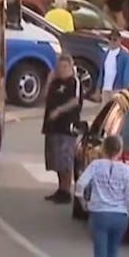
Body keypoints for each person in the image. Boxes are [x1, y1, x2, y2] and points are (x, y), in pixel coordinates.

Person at [42, 54, 83, 203]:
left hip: (68, 126)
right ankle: (60, 189)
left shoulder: (74, 82)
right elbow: (45, 98)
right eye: (59, 66)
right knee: (56, 159)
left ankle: (66, 191)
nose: (61, 69)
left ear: (70, 67)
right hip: (52, 126)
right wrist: (48, 81)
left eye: (64, 67)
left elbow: (75, 101)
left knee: (66, 159)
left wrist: (59, 110)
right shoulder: (55, 81)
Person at [94, 30, 129, 106]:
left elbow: (127, 73)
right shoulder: (105, 55)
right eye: (110, 39)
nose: (112, 41)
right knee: (105, 111)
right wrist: (98, 88)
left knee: (117, 110)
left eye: (115, 39)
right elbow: (102, 73)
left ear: (120, 40)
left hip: (118, 88)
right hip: (106, 89)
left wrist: (125, 88)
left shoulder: (124, 56)